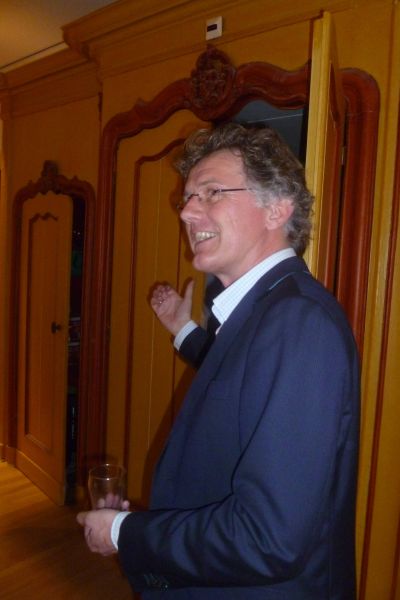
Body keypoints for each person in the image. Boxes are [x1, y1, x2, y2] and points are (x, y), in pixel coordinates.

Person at [77, 123, 360, 599]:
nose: (187, 211)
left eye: (211, 192)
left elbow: (268, 539)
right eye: (188, 197)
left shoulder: (298, 322)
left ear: (277, 208)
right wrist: (182, 328)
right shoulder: (267, 311)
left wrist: (124, 532)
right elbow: (237, 382)